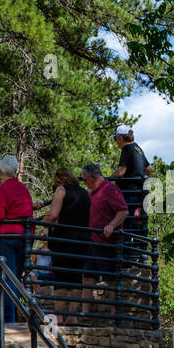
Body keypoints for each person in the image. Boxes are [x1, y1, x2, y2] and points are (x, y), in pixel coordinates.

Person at [0, 155, 34, 325]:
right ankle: (15, 315)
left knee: (8, 279)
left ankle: (8, 320)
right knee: (16, 278)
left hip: (5, 238)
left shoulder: (2, 189)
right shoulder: (23, 189)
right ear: (16, 171)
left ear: (1, 171)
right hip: (23, 238)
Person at [42, 167, 90, 324]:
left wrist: (43, 222)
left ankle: (60, 317)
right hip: (82, 240)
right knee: (75, 279)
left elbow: (53, 214)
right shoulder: (85, 193)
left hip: (63, 240)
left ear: (59, 179)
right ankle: (73, 316)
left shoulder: (61, 190)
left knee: (61, 279)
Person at [81, 163, 128, 322]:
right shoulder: (92, 193)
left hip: (107, 243)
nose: (84, 182)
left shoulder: (110, 189)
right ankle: (85, 315)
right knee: (87, 277)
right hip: (92, 242)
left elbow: (123, 211)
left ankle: (116, 318)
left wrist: (111, 225)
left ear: (93, 178)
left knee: (111, 279)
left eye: (85, 179)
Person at [111, 124, 152, 260]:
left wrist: (108, 179)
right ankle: (141, 257)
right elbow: (149, 169)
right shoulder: (138, 148)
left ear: (121, 138)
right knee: (139, 225)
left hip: (128, 194)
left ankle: (126, 260)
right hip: (139, 194)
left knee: (126, 224)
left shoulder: (127, 149)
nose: (116, 142)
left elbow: (121, 171)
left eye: (116, 139)